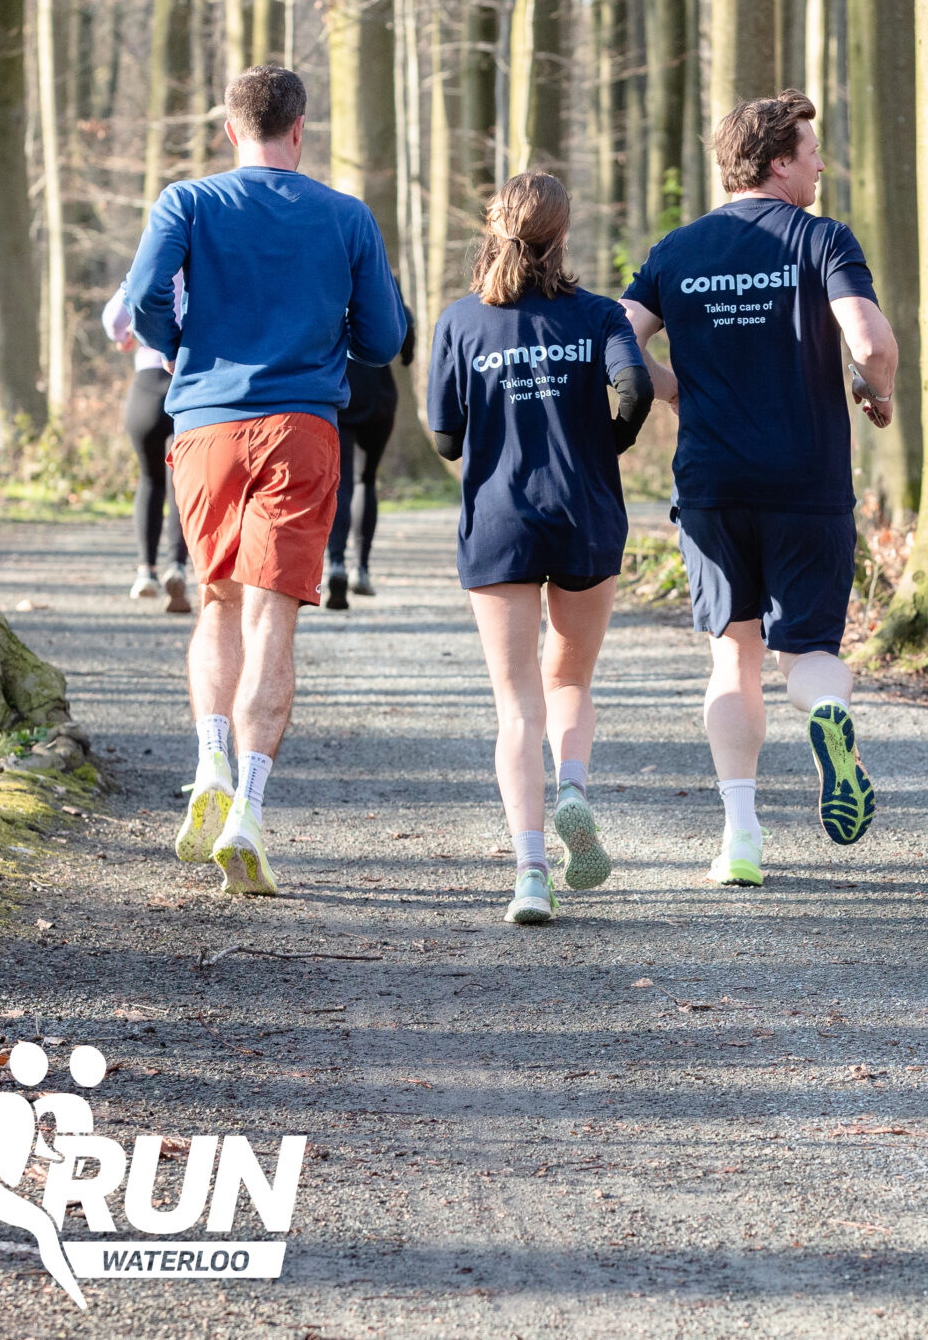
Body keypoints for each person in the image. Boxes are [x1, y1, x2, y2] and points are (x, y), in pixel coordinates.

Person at [123, 65, 408, 896]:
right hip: (302, 429)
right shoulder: (347, 217)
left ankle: (210, 759)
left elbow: (143, 298)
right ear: (300, 128)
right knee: (272, 616)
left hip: (205, 426)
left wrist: (183, 342)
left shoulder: (186, 202)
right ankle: (246, 809)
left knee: (216, 600)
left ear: (229, 129)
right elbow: (383, 338)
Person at [620, 90, 897, 888]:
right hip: (806, 480)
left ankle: (740, 837)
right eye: (811, 151)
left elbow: (617, 337)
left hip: (713, 484)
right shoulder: (821, 239)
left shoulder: (677, 249)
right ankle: (827, 711)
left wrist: (674, 389)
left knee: (733, 657)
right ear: (779, 162)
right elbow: (872, 340)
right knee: (807, 652)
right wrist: (875, 390)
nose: (820, 164)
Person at [428, 174, 654, 924]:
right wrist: (604, 443)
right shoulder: (599, 314)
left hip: (499, 521)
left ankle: (530, 874)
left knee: (517, 704)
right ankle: (574, 790)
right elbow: (635, 390)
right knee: (571, 681)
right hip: (584, 512)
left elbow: (445, 437)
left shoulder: (461, 320)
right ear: (562, 235)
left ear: (495, 229)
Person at [103, 275, 193, 614]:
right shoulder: (209, 261)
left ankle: (145, 572)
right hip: (188, 383)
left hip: (146, 387)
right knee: (181, 481)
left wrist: (124, 336)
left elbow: (114, 319)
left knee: (150, 479)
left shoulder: (153, 266)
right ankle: (177, 567)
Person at [323, 301, 417, 611]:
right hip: (378, 393)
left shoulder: (325, 283)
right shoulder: (382, 284)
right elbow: (406, 332)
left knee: (340, 480)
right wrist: (406, 355)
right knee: (365, 480)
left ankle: (336, 564)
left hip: (337, 388)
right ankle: (361, 569)